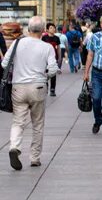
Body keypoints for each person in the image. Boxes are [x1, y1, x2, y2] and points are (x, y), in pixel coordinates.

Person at [4, 16, 59, 169]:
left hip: (18, 87)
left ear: (28, 29)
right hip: (38, 87)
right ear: (43, 31)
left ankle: (14, 147)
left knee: (18, 121)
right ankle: (35, 157)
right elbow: (53, 69)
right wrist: (45, 75)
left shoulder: (17, 43)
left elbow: (4, 63)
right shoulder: (46, 47)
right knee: (38, 123)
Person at [41, 22, 63, 97]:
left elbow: (59, 49)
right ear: (47, 29)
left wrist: (59, 57)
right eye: (51, 28)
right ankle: (46, 88)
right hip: (45, 59)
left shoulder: (57, 38)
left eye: (54, 28)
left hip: (54, 58)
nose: (53, 29)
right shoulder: (44, 38)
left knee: (53, 73)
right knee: (45, 73)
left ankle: (52, 89)